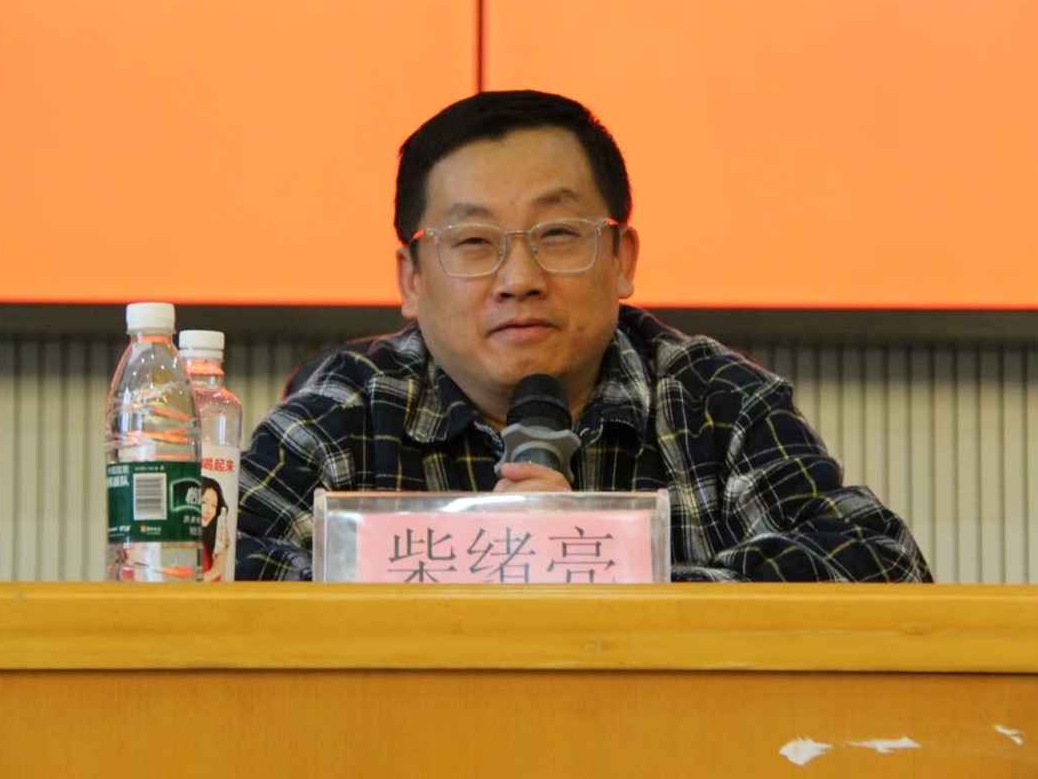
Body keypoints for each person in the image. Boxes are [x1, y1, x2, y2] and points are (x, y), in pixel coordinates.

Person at [237, 90, 932, 583]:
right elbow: (211, 567)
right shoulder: (342, 411)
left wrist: (599, 574)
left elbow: (880, 565)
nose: (519, 279)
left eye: (558, 234)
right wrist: (488, 564)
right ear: (411, 279)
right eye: (473, 241)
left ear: (622, 259)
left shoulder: (717, 401)